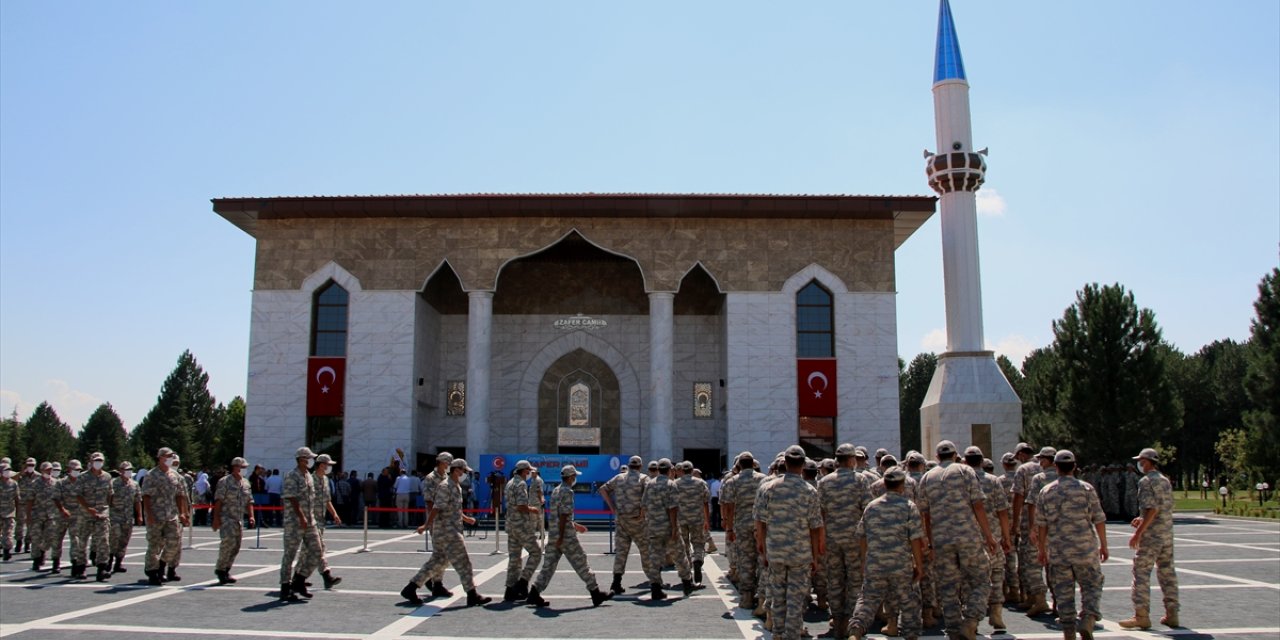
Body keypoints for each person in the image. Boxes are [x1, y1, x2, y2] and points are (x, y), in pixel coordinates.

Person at [916, 440, 998, 640]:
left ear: (937, 457)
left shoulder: (927, 477)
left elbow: (925, 514)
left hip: (942, 539)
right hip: (967, 536)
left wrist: (931, 542)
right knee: (981, 580)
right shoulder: (965, 471)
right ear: (955, 455)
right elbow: (978, 506)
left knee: (948, 587)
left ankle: (953, 629)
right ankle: (971, 620)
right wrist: (989, 536)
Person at [1035, 450, 1107, 640]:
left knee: (1063, 593)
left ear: (1055, 466)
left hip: (1059, 551)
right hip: (1085, 549)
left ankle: (1068, 631)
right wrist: (1104, 545)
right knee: (1092, 585)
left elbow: (1041, 524)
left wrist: (1042, 549)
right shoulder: (1087, 489)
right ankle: (1088, 618)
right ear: (1074, 466)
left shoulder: (1046, 491)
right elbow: (1099, 519)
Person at [401, 458, 491, 607]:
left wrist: (466, 519)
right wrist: (426, 525)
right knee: (464, 563)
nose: (465, 474)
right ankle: (472, 594)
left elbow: (454, 508)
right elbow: (436, 507)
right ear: (456, 470)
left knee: (437, 562)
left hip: (449, 529)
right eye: (464, 471)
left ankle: (411, 588)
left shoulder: (455, 486)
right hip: (447, 531)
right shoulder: (446, 486)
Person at [755, 445, 824, 640]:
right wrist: (815, 556)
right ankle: (792, 634)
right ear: (803, 465)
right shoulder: (809, 491)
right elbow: (815, 527)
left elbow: (760, 522)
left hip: (775, 550)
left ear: (785, 463)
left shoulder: (768, 488)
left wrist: (763, 548)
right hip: (800, 553)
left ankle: (778, 633)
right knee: (795, 599)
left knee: (778, 595)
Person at [849, 468, 924, 640]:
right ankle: (911, 635)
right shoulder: (909, 507)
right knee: (909, 601)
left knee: (867, 599)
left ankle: (856, 630)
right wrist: (918, 564)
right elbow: (915, 539)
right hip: (900, 564)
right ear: (902, 485)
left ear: (884, 484)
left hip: (875, 563)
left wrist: (864, 561)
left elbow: (862, 536)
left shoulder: (872, 506)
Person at [524, 465, 613, 608]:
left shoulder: (556, 490)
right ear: (571, 477)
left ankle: (534, 592)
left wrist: (574, 526)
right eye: (574, 476)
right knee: (581, 562)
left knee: (548, 566)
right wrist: (562, 537)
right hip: (565, 536)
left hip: (554, 533)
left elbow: (559, 515)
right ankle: (595, 593)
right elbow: (564, 515)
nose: (575, 479)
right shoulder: (568, 492)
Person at [1119, 448, 1180, 630]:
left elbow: (1152, 509)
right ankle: (1172, 613)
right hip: (1166, 533)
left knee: (1141, 572)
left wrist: (1138, 533)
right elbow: (1159, 508)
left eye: (1141, 461)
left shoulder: (1146, 481)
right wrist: (1141, 518)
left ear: (1146, 462)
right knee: (1167, 573)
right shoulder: (1164, 480)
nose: (1139, 464)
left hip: (1152, 536)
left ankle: (1141, 615)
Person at [816, 442, 872, 639]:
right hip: (855, 539)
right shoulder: (861, 480)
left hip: (832, 539)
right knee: (855, 581)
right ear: (851, 460)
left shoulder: (824, 482)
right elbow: (867, 510)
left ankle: (837, 620)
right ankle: (850, 622)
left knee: (835, 580)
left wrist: (821, 539)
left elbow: (819, 514)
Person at [964, 446, 1012, 633]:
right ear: (982, 461)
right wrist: (1006, 537)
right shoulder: (993, 481)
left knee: (971, 580)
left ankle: (972, 619)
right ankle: (996, 613)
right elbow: (1002, 511)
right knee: (997, 574)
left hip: (970, 538)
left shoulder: (961, 481)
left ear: (965, 461)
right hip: (993, 537)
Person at [642, 458, 695, 600]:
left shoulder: (649, 484)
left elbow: (644, 505)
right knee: (679, 555)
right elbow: (673, 508)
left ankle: (655, 588)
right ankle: (687, 583)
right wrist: (674, 527)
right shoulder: (671, 484)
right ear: (670, 469)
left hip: (653, 527)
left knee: (655, 558)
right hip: (667, 527)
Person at [599, 455, 651, 595]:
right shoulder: (644, 478)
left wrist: (612, 508)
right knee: (646, 551)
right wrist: (643, 511)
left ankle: (616, 583)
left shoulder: (619, 478)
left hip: (621, 520)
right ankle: (654, 581)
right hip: (637, 521)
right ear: (640, 466)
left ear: (628, 465)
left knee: (621, 553)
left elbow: (603, 489)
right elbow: (648, 495)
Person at [722, 451, 766, 610]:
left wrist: (729, 528)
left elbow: (729, 506)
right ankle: (762, 598)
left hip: (741, 525)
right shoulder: (763, 479)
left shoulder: (732, 481)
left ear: (739, 465)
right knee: (762, 560)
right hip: (760, 525)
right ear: (753, 464)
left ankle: (747, 597)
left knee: (745, 560)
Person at [1011, 442, 1051, 616]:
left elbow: (1019, 497)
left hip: (1033, 523)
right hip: (1056, 525)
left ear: (1021, 454)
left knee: (1031, 562)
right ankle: (1057, 602)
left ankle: (1038, 599)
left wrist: (1015, 523)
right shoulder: (1058, 471)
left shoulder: (1024, 470)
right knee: (1054, 564)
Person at [279, 447, 324, 601]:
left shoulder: (309, 476)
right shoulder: (292, 476)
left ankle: (299, 579)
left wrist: (309, 518)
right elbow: (292, 498)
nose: (311, 460)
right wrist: (301, 517)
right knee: (290, 554)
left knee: (317, 551)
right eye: (308, 458)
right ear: (301, 459)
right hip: (294, 521)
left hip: (310, 520)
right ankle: (285, 587)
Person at [142, 448, 189, 585]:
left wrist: (182, 513)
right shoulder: (151, 475)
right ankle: (152, 571)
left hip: (171, 515)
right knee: (155, 544)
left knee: (175, 541)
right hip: (156, 515)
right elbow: (146, 496)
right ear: (160, 457)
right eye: (168, 456)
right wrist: (149, 515)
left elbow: (180, 495)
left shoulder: (174, 475)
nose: (170, 458)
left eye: (172, 456)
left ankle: (162, 564)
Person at [502, 460, 542, 602]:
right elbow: (522, 506)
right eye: (528, 471)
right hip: (521, 525)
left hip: (511, 525)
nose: (529, 473)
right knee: (536, 553)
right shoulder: (521, 484)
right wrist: (533, 509)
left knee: (514, 558)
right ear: (524, 471)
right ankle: (522, 582)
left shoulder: (509, 483)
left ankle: (509, 590)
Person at [212, 456, 255, 584]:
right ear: (235, 467)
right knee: (227, 544)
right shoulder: (225, 481)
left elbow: (249, 501)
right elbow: (218, 501)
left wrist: (251, 516)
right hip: (226, 518)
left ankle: (226, 569)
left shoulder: (246, 483)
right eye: (243, 467)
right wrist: (216, 518)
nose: (245, 469)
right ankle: (220, 570)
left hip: (238, 519)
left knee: (236, 546)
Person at [73, 452, 114, 581]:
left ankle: (102, 568)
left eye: (100, 461)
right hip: (86, 515)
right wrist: (87, 508)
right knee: (82, 541)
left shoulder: (107, 477)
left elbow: (110, 494)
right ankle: (81, 567)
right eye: (96, 460)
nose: (98, 463)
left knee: (104, 541)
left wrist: (106, 508)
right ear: (91, 462)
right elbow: (78, 495)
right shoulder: (83, 477)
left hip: (102, 514)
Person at [416, 452, 453, 595]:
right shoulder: (431, 478)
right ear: (441, 462)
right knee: (440, 553)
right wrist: (431, 521)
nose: (449, 465)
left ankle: (434, 580)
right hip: (437, 520)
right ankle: (434, 582)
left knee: (444, 553)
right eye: (448, 462)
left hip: (448, 520)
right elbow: (429, 501)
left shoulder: (446, 477)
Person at [674, 460, 711, 588]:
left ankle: (688, 572)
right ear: (692, 470)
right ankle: (698, 560)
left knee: (684, 546)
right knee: (698, 543)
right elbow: (706, 502)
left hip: (681, 519)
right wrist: (707, 520)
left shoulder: (675, 483)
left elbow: (671, 503)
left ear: (682, 470)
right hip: (697, 518)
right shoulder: (700, 483)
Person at [311, 453, 343, 589]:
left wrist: (334, 514)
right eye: (328, 465)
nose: (329, 467)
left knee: (309, 551)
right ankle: (327, 575)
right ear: (321, 465)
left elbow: (327, 500)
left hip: (320, 520)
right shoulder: (310, 479)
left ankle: (297, 578)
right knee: (319, 548)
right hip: (310, 520)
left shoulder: (325, 480)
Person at [16, 458, 37, 554]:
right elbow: (12, 481)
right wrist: (21, 472)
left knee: (30, 524)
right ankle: (18, 540)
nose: (30, 467)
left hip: (33, 503)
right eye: (29, 465)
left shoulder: (38, 476)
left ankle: (28, 542)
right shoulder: (21, 475)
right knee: (20, 523)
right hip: (22, 502)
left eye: (32, 465)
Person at [0, 462, 19, 561]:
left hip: (9, 512)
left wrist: (18, 511)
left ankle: (6, 551)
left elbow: (17, 498)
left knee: (8, 533)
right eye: (5, 470)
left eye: (8, 470)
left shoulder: (14, 483)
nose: (7, 472)